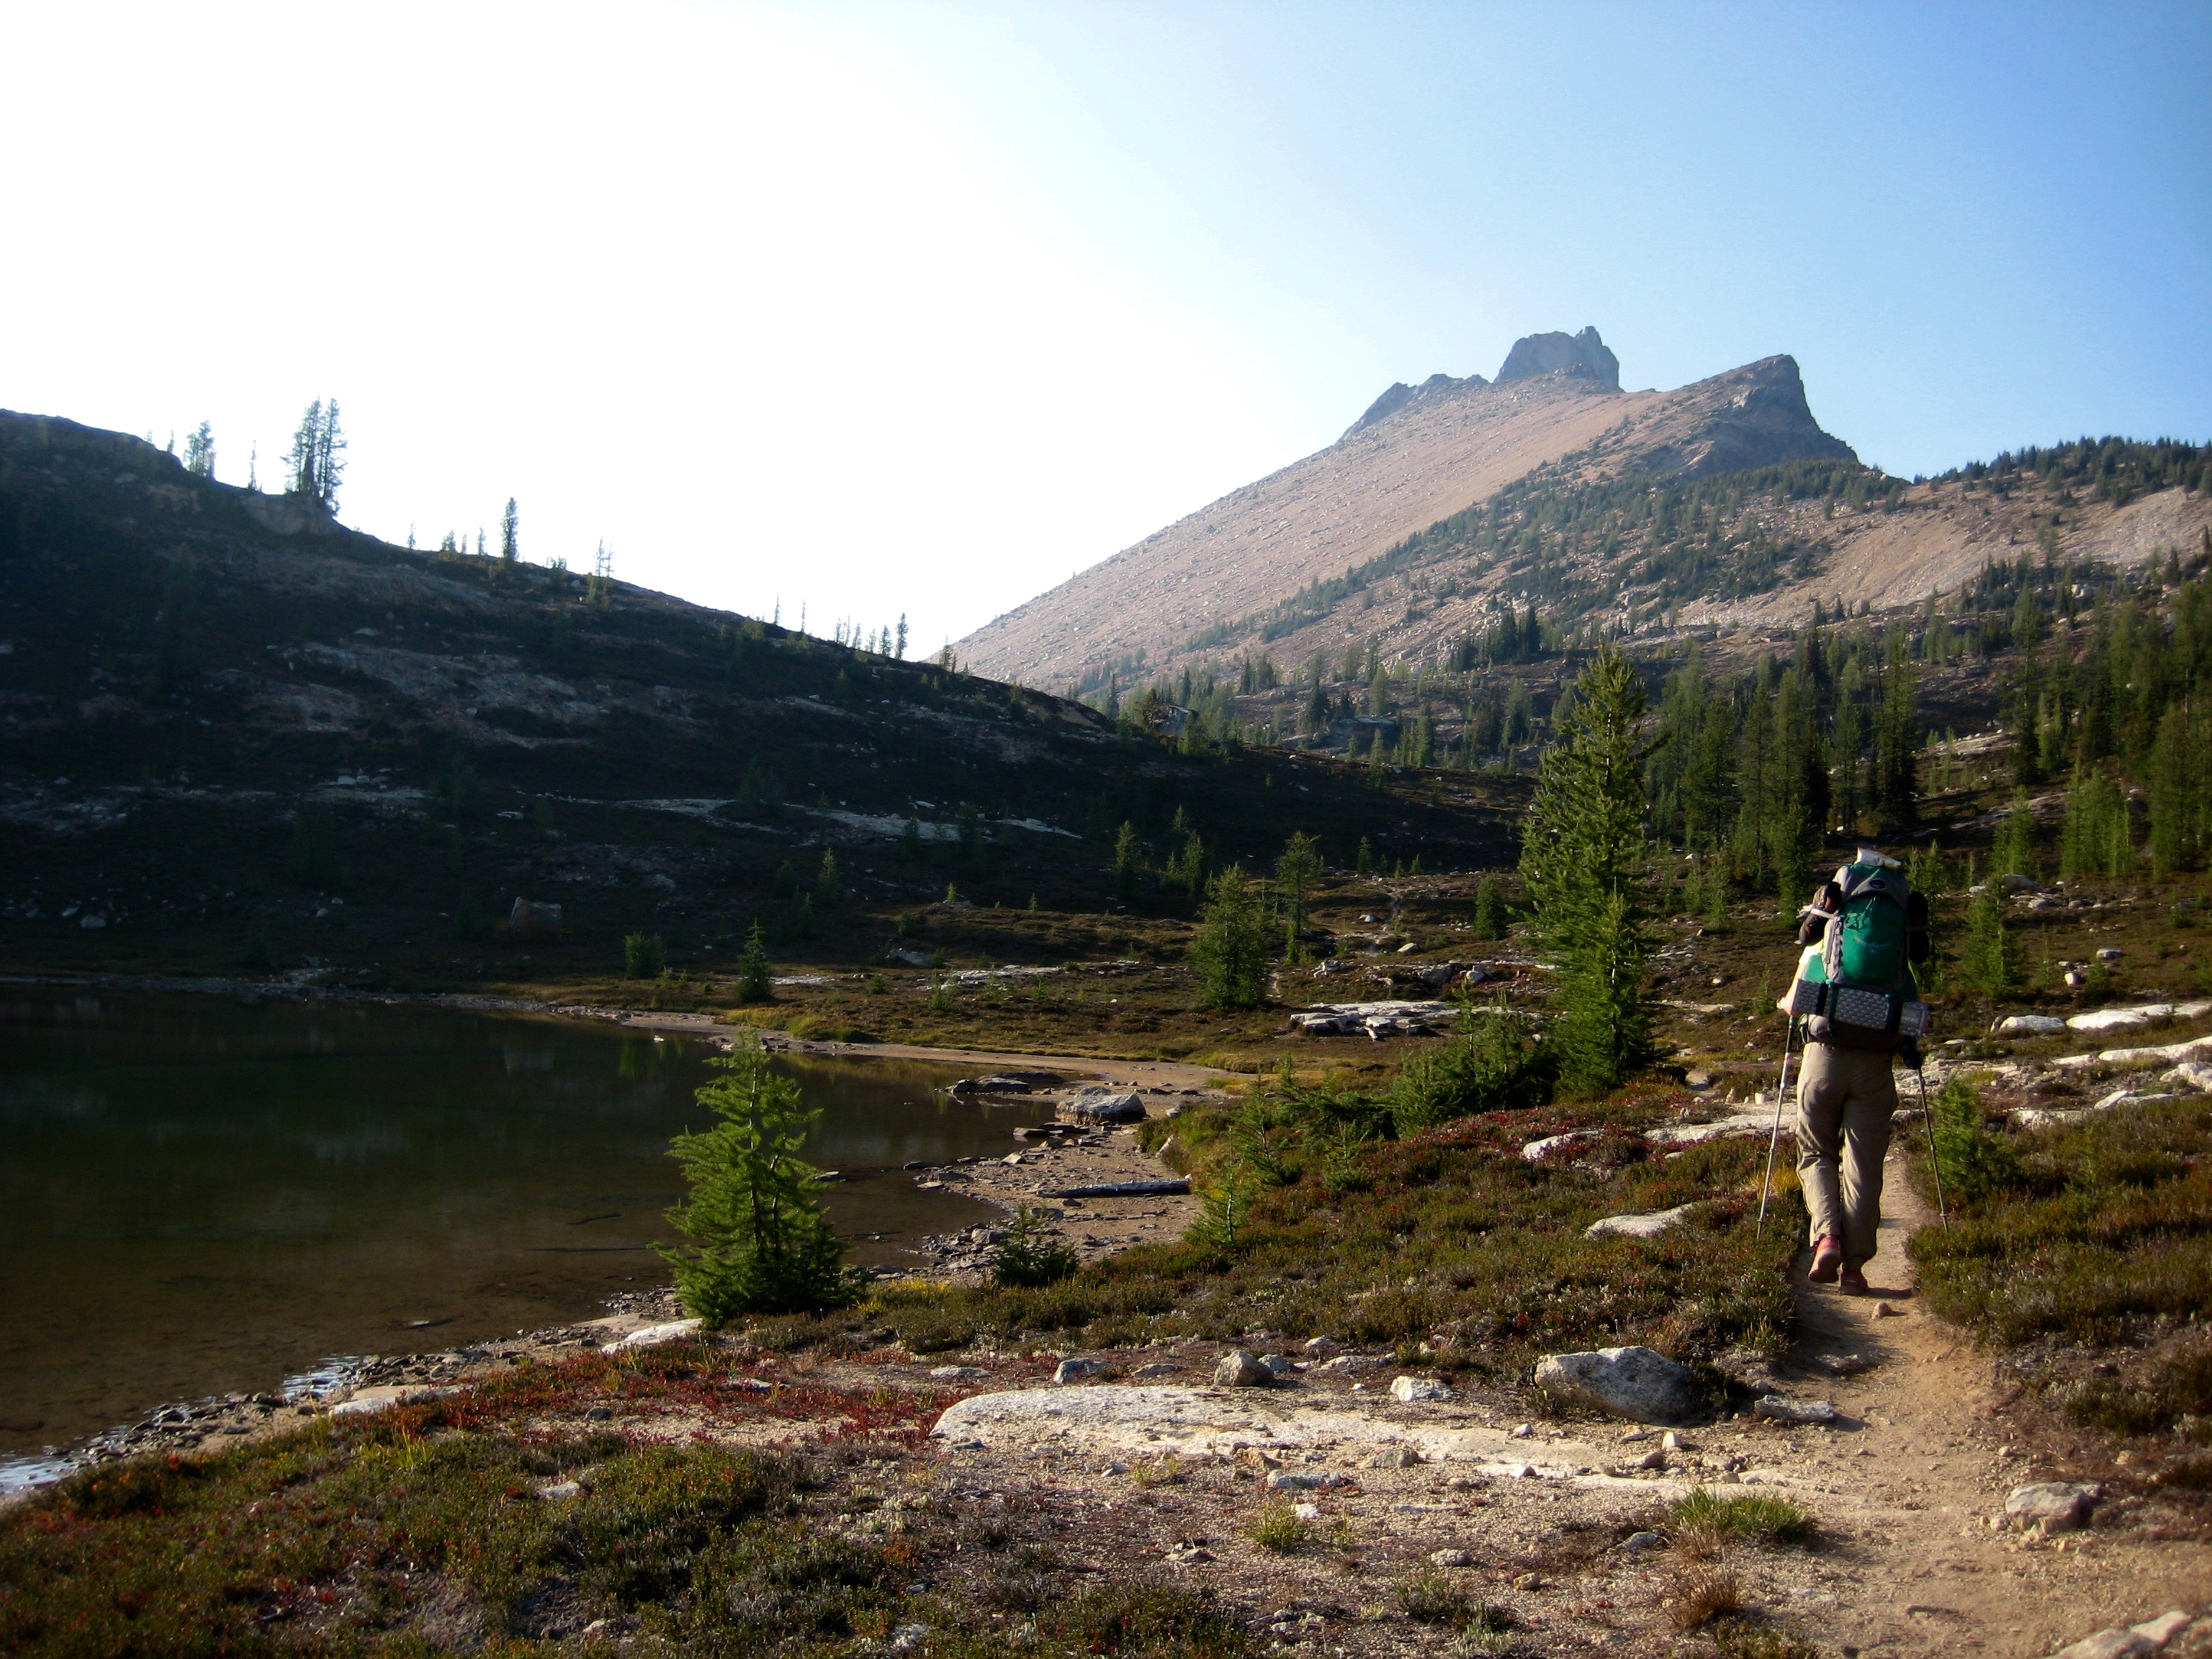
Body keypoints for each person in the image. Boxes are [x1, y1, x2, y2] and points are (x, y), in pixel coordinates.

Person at [1779, 848, 1930, 1293]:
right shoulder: (1898, 965)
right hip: (1874, 1067)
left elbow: (1792, 1007)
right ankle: (1856, 1267)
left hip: (1823, 1057)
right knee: (1864, 1166)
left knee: (1816, 1153)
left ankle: (1827, 1237)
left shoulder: (1820, 952)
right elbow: (1911, 1019)